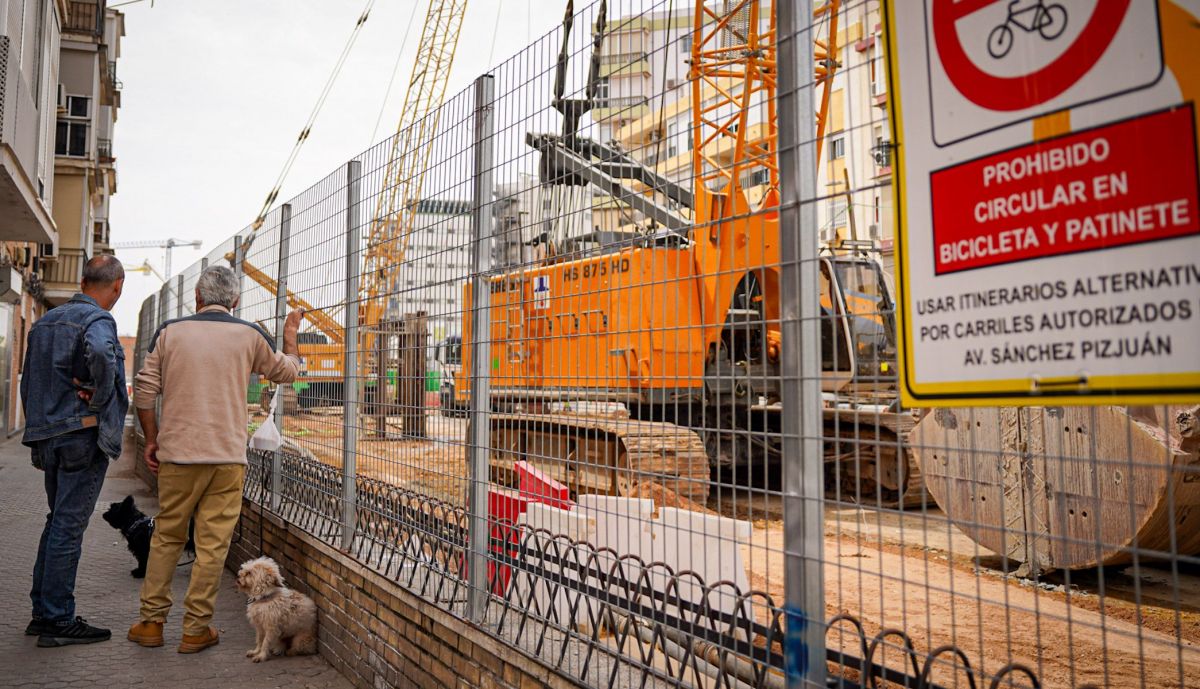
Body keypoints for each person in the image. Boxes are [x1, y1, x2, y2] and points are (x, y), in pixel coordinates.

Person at [127, 265, 303, 654]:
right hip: (226, 459)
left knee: (167, 538)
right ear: (235, 302)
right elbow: (287, 373)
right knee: (212, 548)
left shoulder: (170, 332)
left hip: (177, 457)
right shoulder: (249, 335)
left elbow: (143, 392)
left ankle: (151, 624)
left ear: (197, 299)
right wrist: (290, 337)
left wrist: (152, 441)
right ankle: (195, 630)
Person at [22, 255, 128, 647]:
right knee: (68, 527)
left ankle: (43, 613)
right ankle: (57, 619)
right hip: (81, 436)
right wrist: (101, 399)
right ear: (117, 286)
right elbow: (101, 354)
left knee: (57, 523)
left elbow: (30, 380)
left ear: (83, 281)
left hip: (50, 436)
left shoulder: (44, 323)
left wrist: (37, 429)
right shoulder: (98, 319)